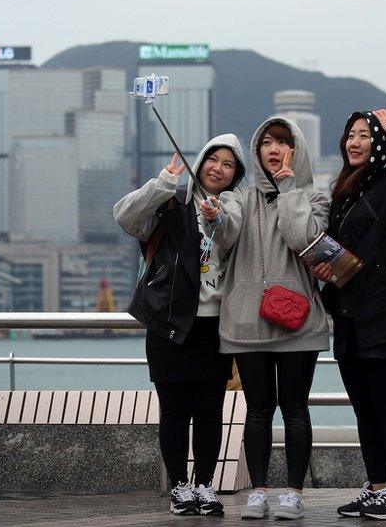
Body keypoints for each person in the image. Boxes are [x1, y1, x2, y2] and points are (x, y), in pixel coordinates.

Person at [114, 134, 246, 517]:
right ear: (201, 161)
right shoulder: (172, 200)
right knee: (173, 411)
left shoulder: (235, 206)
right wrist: (164, 181)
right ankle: (178, 486)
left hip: (213, 327)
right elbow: (125, 217)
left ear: (236, 174)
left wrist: (216, 217)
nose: (218, 168)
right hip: (168, 323)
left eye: (228, 164)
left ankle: (205, 484)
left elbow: (235, 235)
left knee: (210, 411)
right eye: (213, 160)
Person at [211, 117, 330, 520]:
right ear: (256, 150)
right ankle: (258, 491)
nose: (273, 148)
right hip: (247, 321)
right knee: (258, 409)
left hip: (298, 322)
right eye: (266, 142)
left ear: (296, 149)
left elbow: (303, 239)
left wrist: (287, 188)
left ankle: (293, 493)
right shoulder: (239, 197)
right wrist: (214, 219)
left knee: (295, 407)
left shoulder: (315, 197)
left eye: (283, 141)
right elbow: (224, 234)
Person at [313, 109, 386, 521]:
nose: (354, 142)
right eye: (350, 136)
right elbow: (345, 256)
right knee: (364, 409)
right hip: (349, 317)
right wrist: (326, 269)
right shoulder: (343, 193)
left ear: (378, 143)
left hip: (384, 315)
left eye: (364, 135)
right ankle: (377, 488)